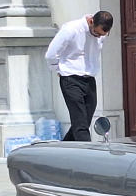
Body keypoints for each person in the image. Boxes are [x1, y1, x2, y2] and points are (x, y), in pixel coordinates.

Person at [46, 10, 112, 142]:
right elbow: (51, 54)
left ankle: (63, 151)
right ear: (91, 21)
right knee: (81, 124)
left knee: (84, 121)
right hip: (71, 79)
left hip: (89, 79)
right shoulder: (71, 29)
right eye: (97, 33)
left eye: (103, 35)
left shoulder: (100, 33)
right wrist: (59, 70)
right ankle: (88, 157)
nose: (99, 37)